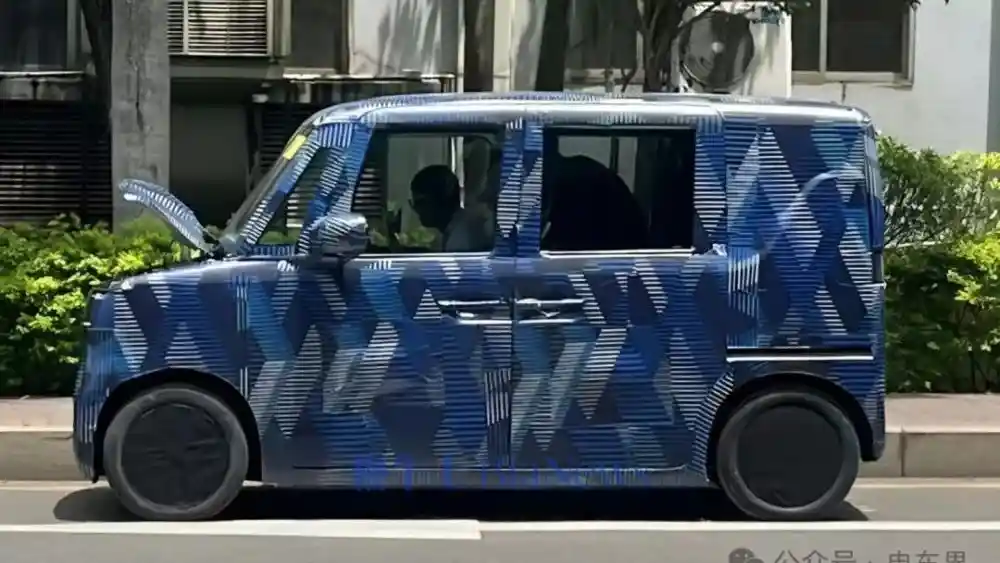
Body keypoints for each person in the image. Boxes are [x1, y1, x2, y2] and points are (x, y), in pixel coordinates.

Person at [409, 165, 492, 252]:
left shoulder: (461, 236)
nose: (416, 209)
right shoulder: (460, 227)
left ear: (441, 199)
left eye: (420, 202)